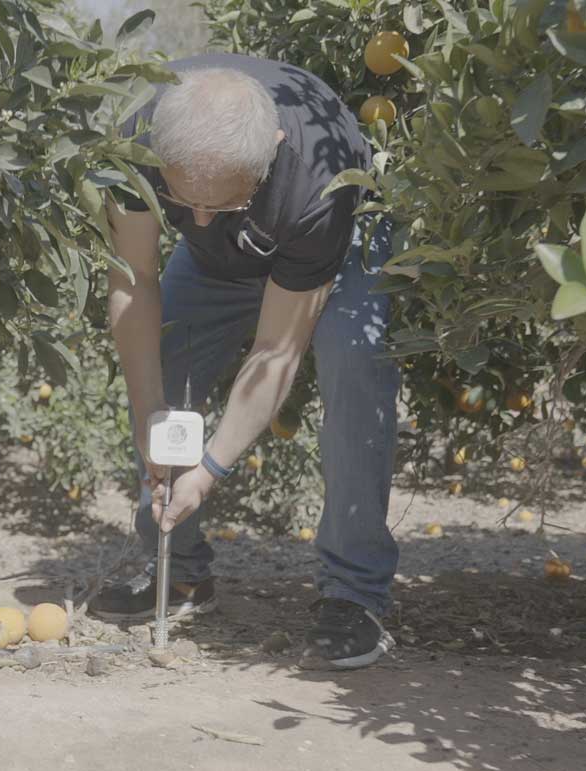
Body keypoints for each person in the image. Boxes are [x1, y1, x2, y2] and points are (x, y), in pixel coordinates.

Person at [87, 53, 401, 670]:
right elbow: (134, 283)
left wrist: (207, 471)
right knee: (167, 349)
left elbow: (277, 351)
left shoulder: (318, 179)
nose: (197, 220)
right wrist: (154, 417)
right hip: (226, 252)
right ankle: (178, 569)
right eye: (184, 202)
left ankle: (353, 594)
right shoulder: (132, 140)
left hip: (333, 236)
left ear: (272, 152)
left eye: (219, 204)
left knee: (354, 358)